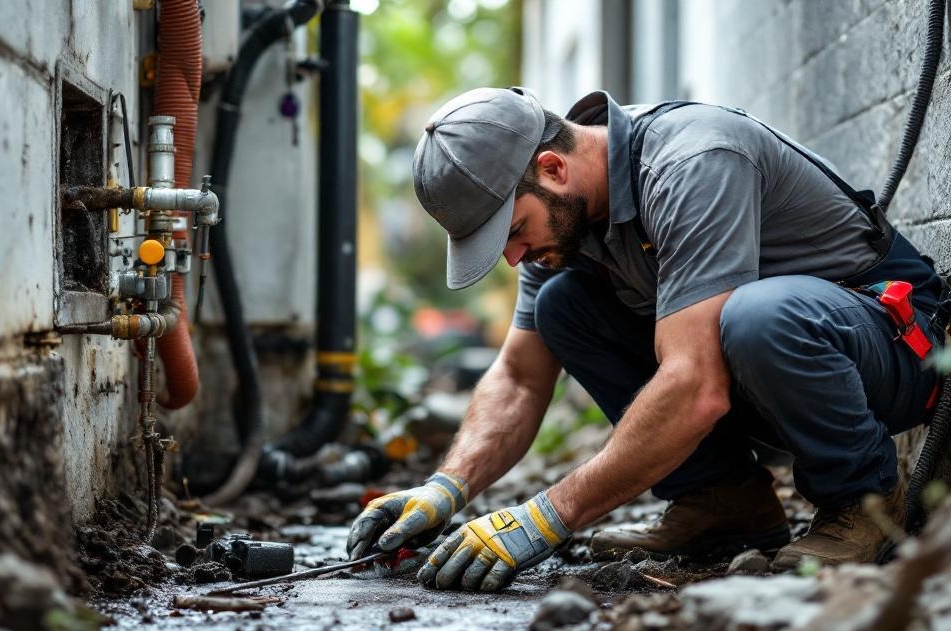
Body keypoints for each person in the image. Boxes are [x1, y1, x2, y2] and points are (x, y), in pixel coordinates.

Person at [346, 86, 946, 592]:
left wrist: (546, 517)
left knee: (759, 316)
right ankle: (724, 503)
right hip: (767, 365)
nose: (512, 257)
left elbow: (695, 388)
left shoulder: (692, 163)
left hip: (888, 347)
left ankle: (863, 501)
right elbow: (520, 376)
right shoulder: (560, 218)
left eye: (513, 231)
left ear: (553, 168)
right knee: (563, 306)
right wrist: (446, 488)